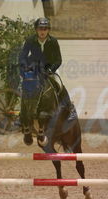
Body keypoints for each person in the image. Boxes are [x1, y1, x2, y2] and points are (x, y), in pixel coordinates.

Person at [19, 17, 74, 146]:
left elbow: (58, 60)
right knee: (25, 87)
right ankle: (23, 116)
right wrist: (24, 67)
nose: (42, 31)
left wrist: (50, 70)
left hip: (49, 68)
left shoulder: (53, 42)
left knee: (59, 84)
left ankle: (69, 108)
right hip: (33, 68)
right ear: (36, 30)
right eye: (40, 29)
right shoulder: (30, 40)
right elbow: (22, 56)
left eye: (44, 29)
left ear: (48, 30)